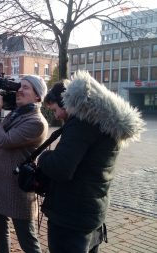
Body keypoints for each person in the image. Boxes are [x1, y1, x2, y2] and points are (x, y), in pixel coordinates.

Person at [38, 71, 145, 253]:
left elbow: (62, 168)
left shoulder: (81, 123)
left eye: (55, 109)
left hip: (71, 217)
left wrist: (43, 158)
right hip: (92, 212)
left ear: (66, 101)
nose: (56, 116)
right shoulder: (105, 121)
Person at [0, 75, 48, 253]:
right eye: (20, 86)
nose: (19, 90)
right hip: (1, 188)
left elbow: (3, 140)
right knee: (0, 235)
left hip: (19, 190)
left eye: (26, 88)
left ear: (38, 96)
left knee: (28, 242)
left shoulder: (36, 122)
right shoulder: (17, 114)